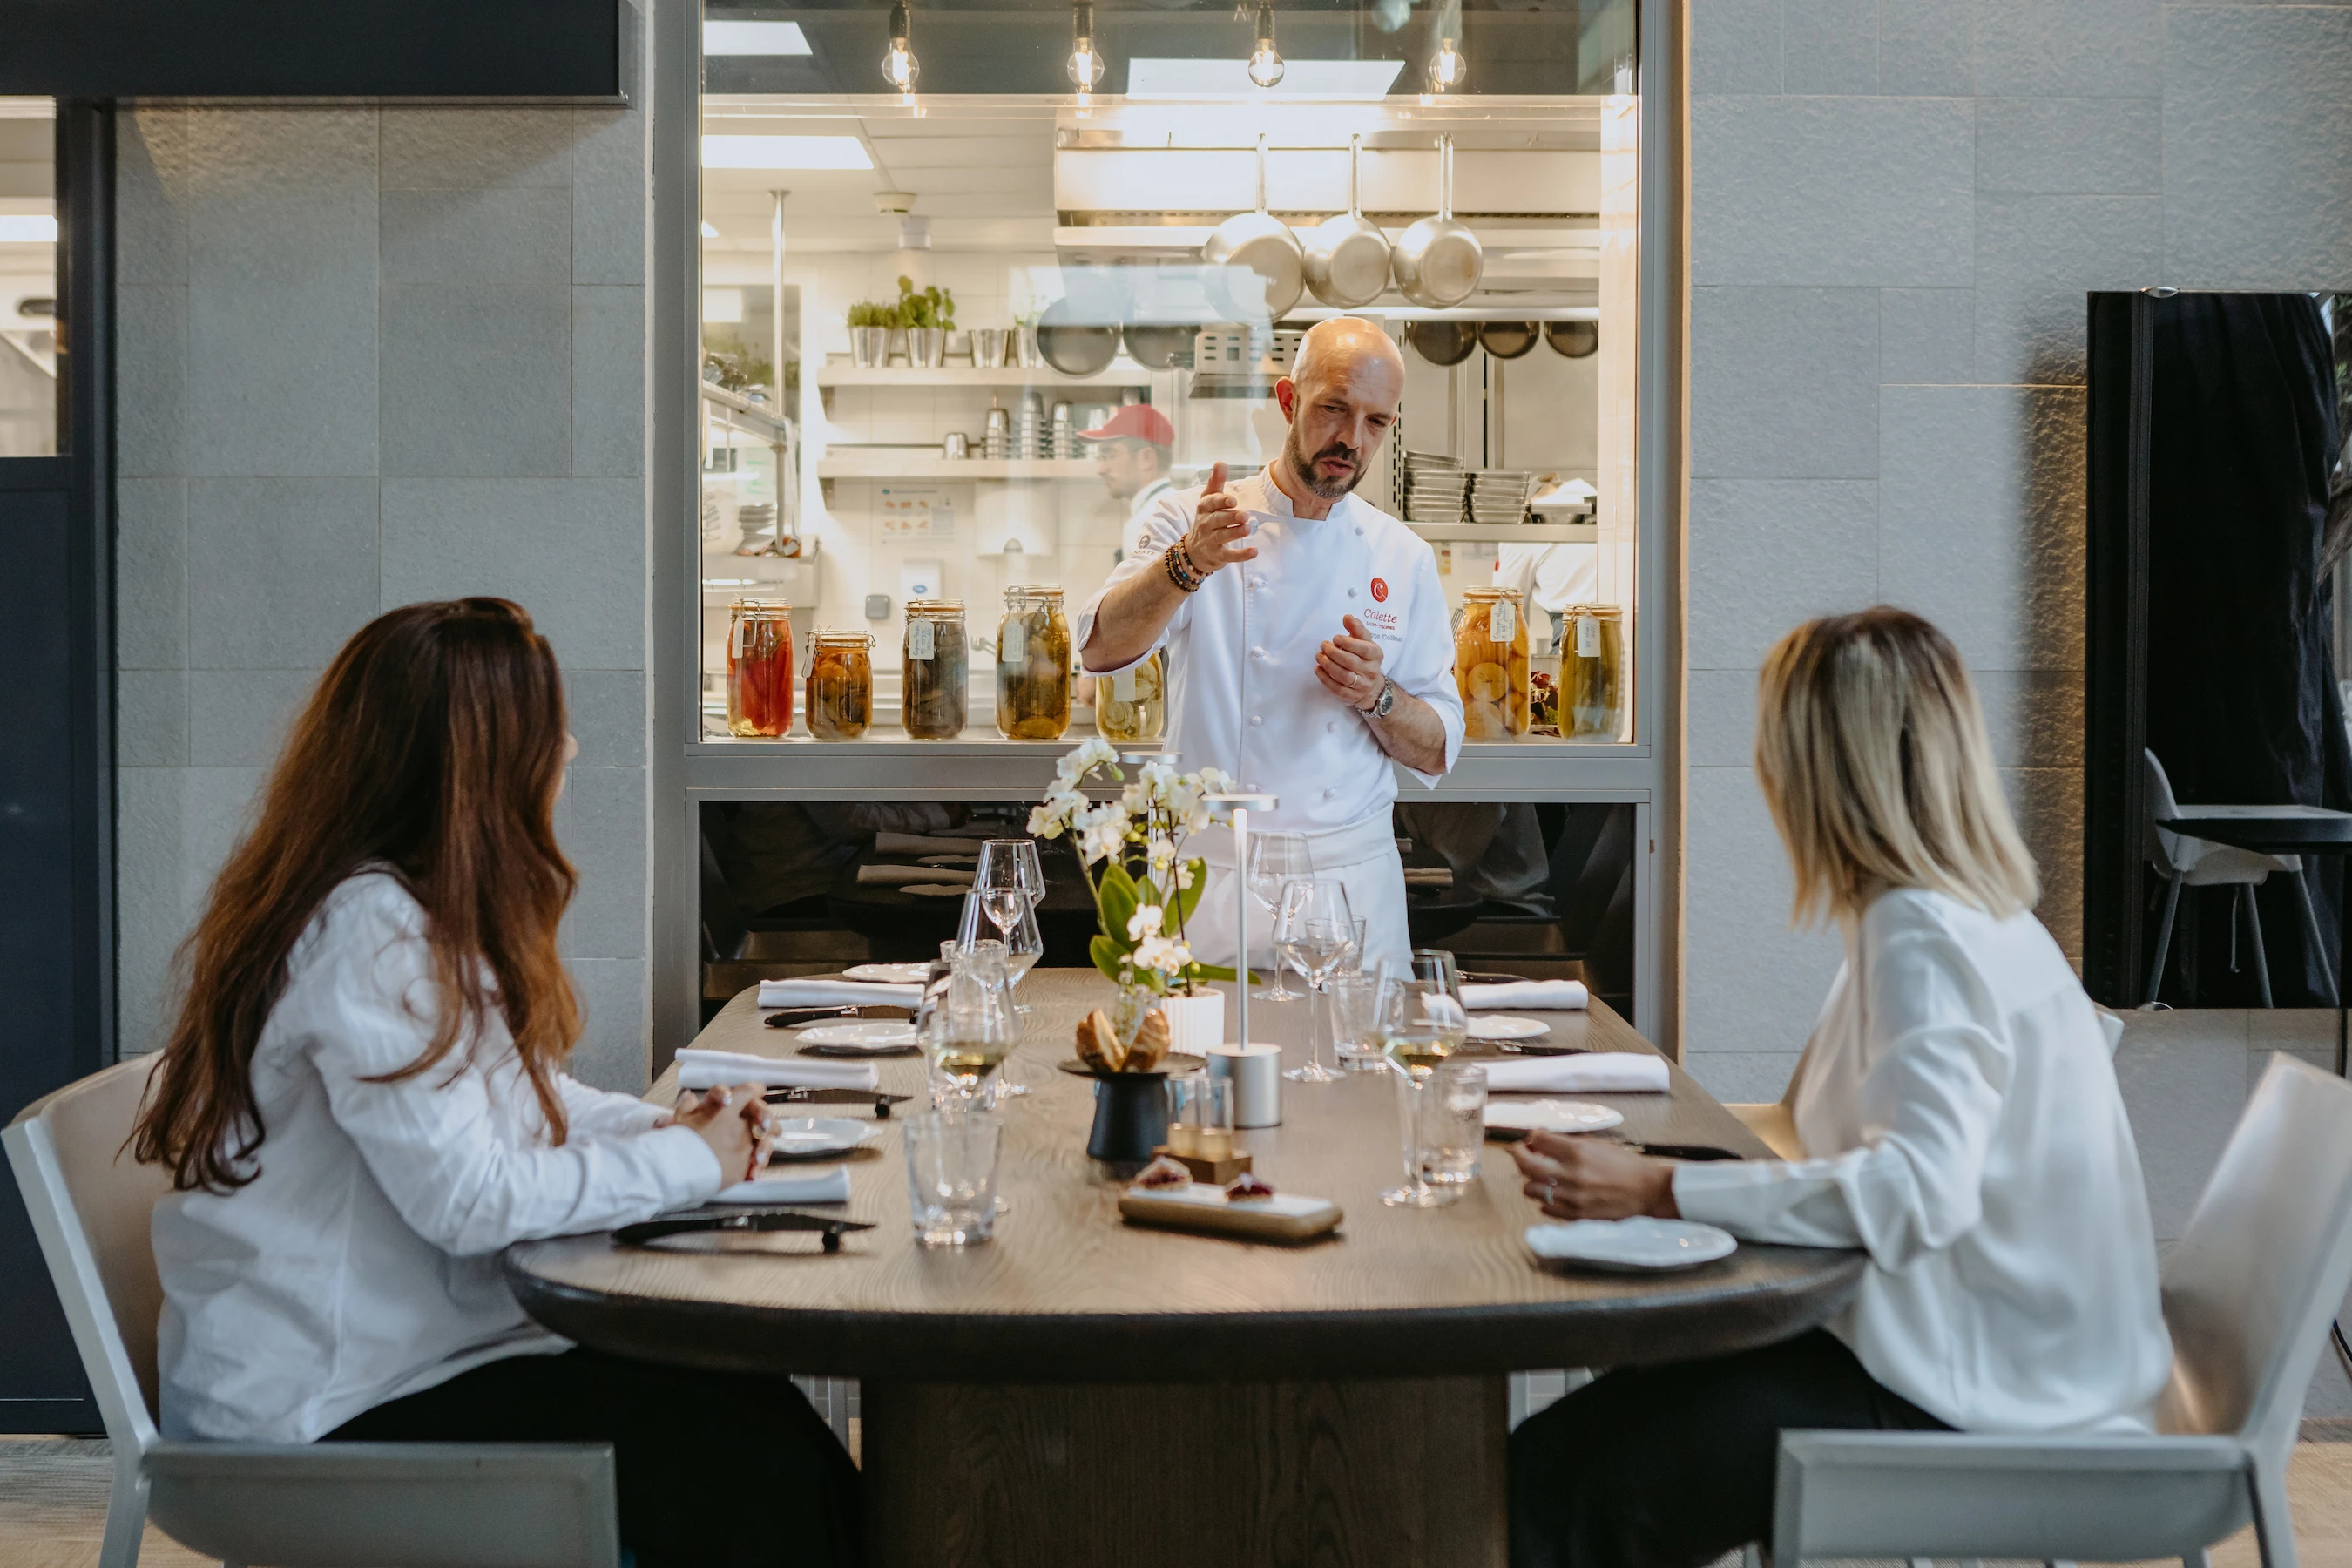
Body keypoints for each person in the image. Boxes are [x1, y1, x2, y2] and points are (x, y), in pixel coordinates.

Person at [132, 598, 860, 1568]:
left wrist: (666, 1131)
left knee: (759, 1412)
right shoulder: (372, 934)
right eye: (547, 733)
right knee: (757, 1470)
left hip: (398, 1360)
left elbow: (517, 1095)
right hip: (321, 1410)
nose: (569, 751)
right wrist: (692, 1159)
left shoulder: (392, 907)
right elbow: (471, 1202)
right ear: (481, 769)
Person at [1505, 607, 2170, 1568]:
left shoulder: (1921, 936)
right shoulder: (1959, 913)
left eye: (1775, 742)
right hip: (1998, 1359)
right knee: (1576, 1454)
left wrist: (1661, 1187)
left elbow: (1917, 1193)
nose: (1764, 771)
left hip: (1971, 1398)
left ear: (1824, 769)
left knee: (1548, 1493)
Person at [1078, 317, 1463, 970]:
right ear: (1288, 401)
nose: (1351, 439)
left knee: (1361, 1043)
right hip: (1212, 882)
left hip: (1351, 886)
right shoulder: (1193, 520)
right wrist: (1188, 564)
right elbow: (1098, 648)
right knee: (1202, 1039)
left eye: (1375, 422)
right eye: (1333, 409)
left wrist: (1377, 696)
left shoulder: (1403, 556)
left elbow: (1437, 748)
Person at [1082, 402, 1179, 558]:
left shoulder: (1148, 522)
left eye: (1110, 455)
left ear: (1146, 458)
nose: (1101, 469)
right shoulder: (1173, 508)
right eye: (1101, 457)